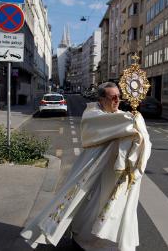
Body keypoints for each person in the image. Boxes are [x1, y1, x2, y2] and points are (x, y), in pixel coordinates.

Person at [21, 82, 152, 251]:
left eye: (119, 97)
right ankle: (83, 240)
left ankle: (108, 242)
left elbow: (141, 136)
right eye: (113, 97)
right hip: (95, 172)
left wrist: (136, 129)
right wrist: (135, 121)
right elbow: (120, 125)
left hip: (116, 174)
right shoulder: (93, 114)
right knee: (88, 207)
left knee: (114, 208)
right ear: (101, 98)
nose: (117, 100)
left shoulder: (122, 115)